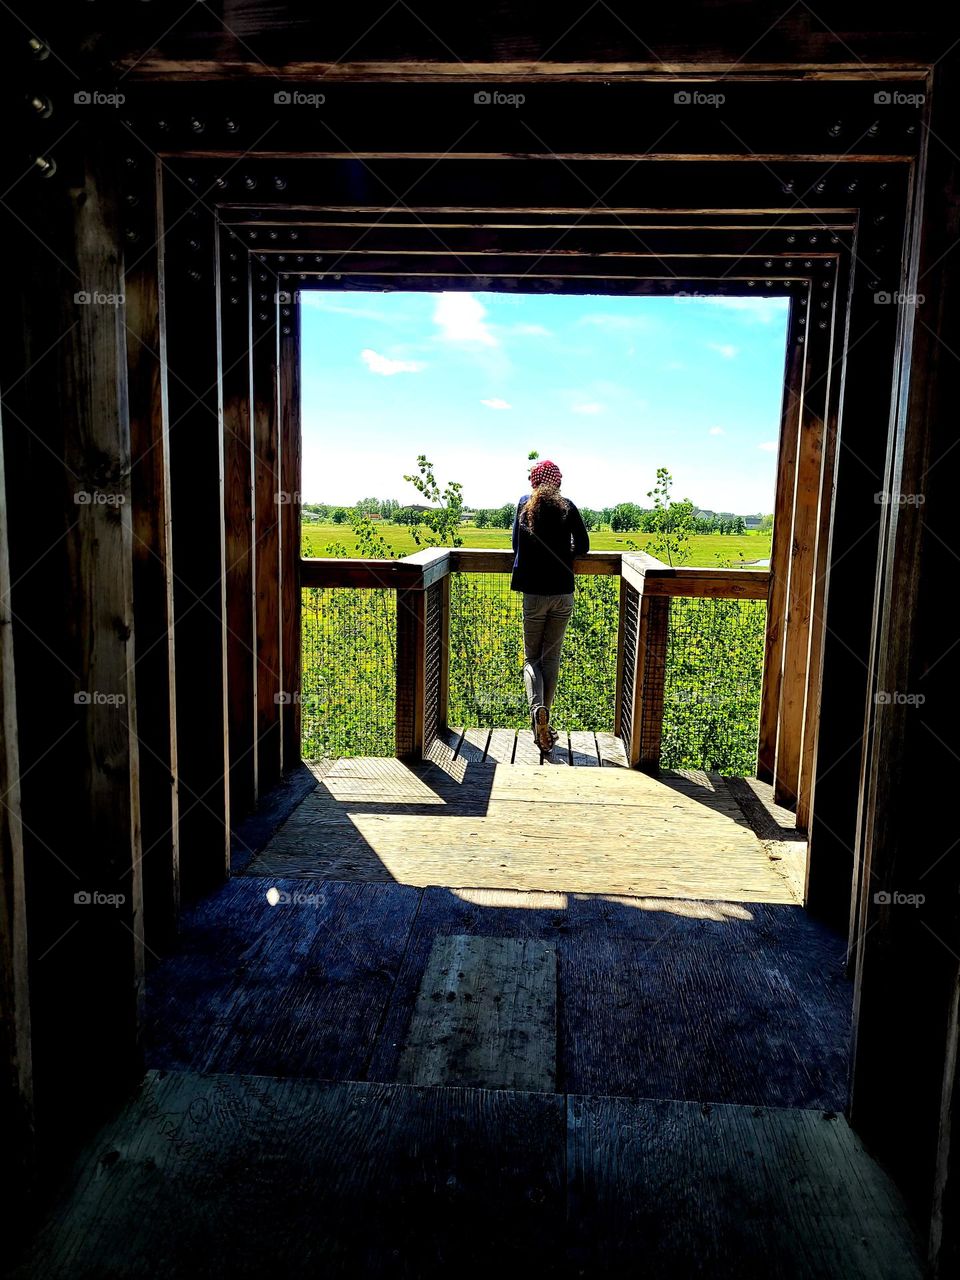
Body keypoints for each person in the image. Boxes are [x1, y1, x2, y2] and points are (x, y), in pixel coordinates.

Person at [510, 459, 590, 752]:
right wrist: (564, 551)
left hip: (533, 594)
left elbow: (515, 546)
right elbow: (583, 546)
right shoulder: (567, 505)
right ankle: (545, 719)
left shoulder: (523, 504)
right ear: (558, 481)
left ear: (533, 480)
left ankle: (537, 714)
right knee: (550, 658)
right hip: (562, 593)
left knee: (531, 659)